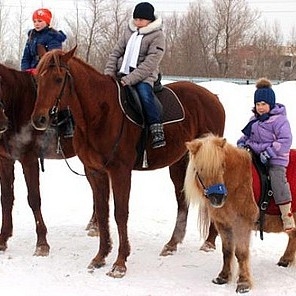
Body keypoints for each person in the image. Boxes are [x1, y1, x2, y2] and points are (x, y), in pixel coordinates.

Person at [104, 2, 166, 149]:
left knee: (144, 94)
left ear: (150, 20)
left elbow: (150, 63)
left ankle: (156, 128)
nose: (138, 22)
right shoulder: (129, 32)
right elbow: (116, 52)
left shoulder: (157, 36)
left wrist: (129, 79)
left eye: (142, 20)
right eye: (136, 19)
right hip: (122, 72)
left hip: (144, 76)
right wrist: (108, 73)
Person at [237, 77, 294, 232]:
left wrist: (269, 152)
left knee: (277, 181)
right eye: (258, 104)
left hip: (276, 158)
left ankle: (286, 215)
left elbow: (285, 139)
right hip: (256, 156)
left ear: (271, 104)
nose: (260, 108)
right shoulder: (253, 120)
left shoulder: (280, 120)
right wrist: (242, 142)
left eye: (264, 104)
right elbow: (248, 136)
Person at [21, 8, 67, 73]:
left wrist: (40, 70)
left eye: (39, 21)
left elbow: (53, 59)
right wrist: (25, 71)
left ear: (47, 22)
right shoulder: (32, 37)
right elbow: (26, 58)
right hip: (31, 70)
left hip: (46, 72)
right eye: (34, 21)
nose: (36, 24)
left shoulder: (53, 36)